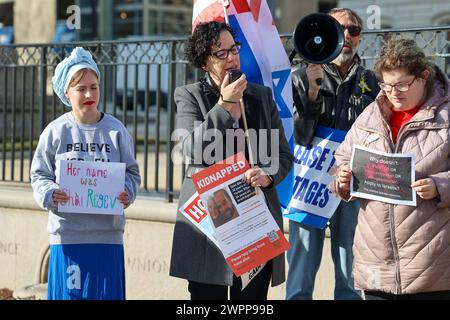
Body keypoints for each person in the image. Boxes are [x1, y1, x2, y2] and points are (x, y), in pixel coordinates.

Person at [169, 21, 293, 300]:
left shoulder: (261, 96)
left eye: (233, 49)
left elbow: (283, 155)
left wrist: (268, 175)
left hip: (254, 222)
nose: (232, 57)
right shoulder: (190, 95)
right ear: (204, 62)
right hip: (210, 228)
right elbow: (192, 148)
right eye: (220, 53)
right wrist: (224, 106)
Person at [332, 38, 450, 300]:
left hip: (432, 269)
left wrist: (440, 186)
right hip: (376, 266)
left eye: (402, 84)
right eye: (386, 85)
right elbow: (342, 158)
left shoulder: (446, 117)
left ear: (424, 76)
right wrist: (342, 178)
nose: (393, 92)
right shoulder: (371, 115)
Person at [30, 47, 141, 300]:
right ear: (67, 93)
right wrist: (50, 193)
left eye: (94, 86)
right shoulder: (55, 132)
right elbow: (39, 175)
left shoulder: (116, 131)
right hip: (68, 239)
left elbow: (132, 173)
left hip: (108, 239)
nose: (89, 94)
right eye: (80, 89)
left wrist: (127, 192)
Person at [286, 7, 380, 300]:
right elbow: (298, 137)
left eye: (354, 31)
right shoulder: (300, 78)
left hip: (352, 183)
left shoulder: (372, 81)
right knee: (301, 272)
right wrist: (311, 95)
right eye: (341, 29)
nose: (347, 36)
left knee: (349, 271)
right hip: (308, 185)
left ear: (360, 38)